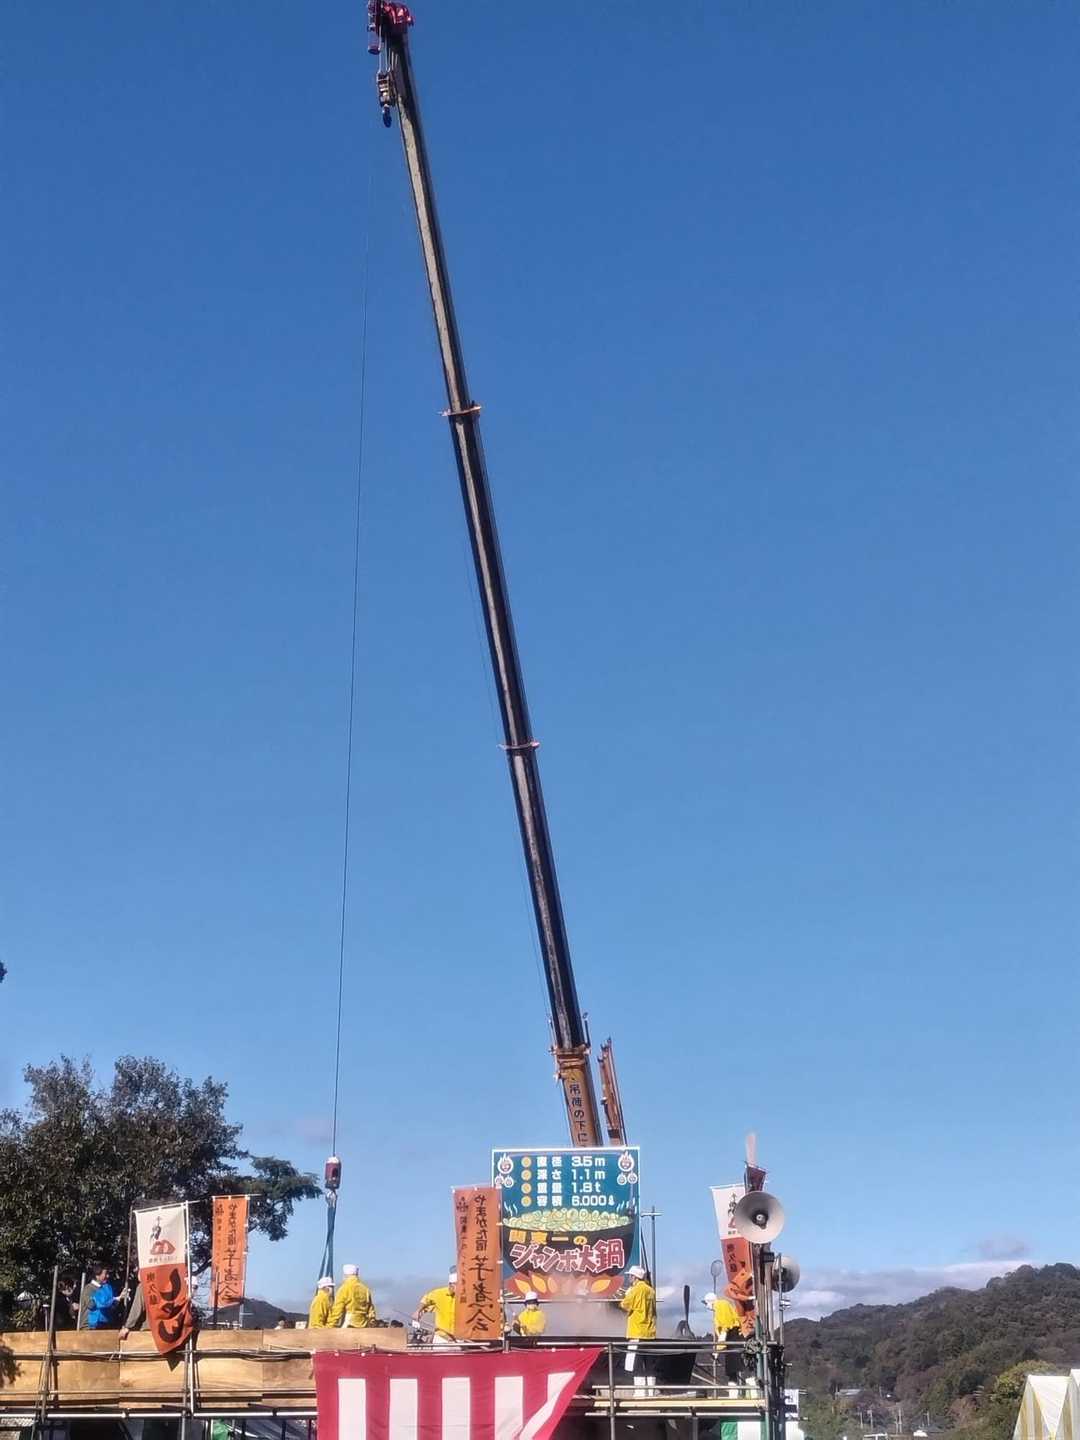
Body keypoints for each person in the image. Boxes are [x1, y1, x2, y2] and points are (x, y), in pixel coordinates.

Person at [703, 1290, 742, 1382]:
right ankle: (733, 1384)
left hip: (732, 1335)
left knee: (733, 1363)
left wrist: (717, 1350)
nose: (706, 1306)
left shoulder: (720, 1305)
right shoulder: (719, 1306)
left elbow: (725, 1328)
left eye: (706, 1303)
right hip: (730, 1335)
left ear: (710, 1301)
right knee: (732, 1364)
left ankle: (734, 1387)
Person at [413, 1270, 457, 1345]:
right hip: (441, 1338)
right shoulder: (438, 1293)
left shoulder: (463, 1296)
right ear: (450, 1284)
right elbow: (426, 1300)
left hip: (458, 1338)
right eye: (456, 1284)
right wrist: (418, 1311)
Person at [328, 1263, 377, 1329]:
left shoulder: (344, 1289)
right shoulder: (365, 1289)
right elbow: (371, 1310)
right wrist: (372, 1322)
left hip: (349, 1324)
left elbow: (337, 1311)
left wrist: (330, 1326)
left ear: (345, 1275)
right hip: (364, 1325)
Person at [78, 1263, 125, 1330]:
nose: (108, 1276)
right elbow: (91, 1304)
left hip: (104, 1325)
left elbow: (110, 1307)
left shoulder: (106, 1288)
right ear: (97, 1275)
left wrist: (119, 1298)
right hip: (89, 1327)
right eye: (105, 1274)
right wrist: (108, 1300)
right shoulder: (89, 1288)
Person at [619, 1265, 656, 1339]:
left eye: (630, 1275)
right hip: (650, 1333)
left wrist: (625, 1295)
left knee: (634, 1348)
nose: (629, 1277)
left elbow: (624, 1305)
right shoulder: (651, 1290)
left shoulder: (635, 1290)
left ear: (634, 1277)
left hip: (636, 1332)